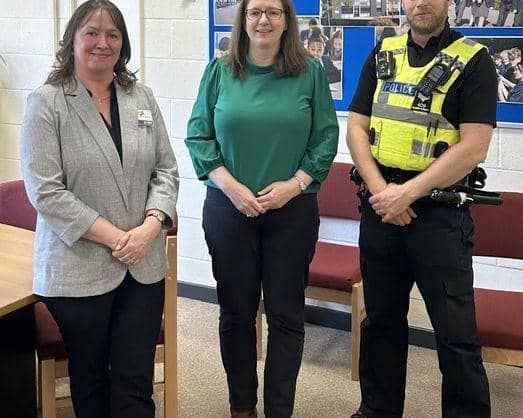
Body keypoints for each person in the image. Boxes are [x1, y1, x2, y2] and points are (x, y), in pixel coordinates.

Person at [19, 1, 179, 417]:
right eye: (91, 32)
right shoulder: (47, 103)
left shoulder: (140, 96)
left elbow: (166, 169)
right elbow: (46, 192)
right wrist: (116, 237)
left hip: (143, 265)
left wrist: (150, 225)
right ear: (72, 40)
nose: (102, 43)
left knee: (135, 383)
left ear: (122, 45)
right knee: (89, 384)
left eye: (113, 35)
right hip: (78, 270)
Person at [185, 0, 339, 416]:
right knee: (236, 314)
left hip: (292, 212)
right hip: (229, 209)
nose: (264, 20)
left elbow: (325, 137)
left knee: (286, 316)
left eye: (274, 11)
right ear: (243, 20)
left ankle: (278, 409)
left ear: (287, 20)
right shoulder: (219, 71)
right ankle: (241, 408)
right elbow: (198, 137)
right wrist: (232, 187)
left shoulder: (310, 73)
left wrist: (296, 184)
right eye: (255, 12)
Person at [346, 0, 497, 415]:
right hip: (380, 210)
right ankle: (377, 410)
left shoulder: (475, 60)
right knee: (380, 324)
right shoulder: (384, 52)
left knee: (455, 335)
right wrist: (382, 192)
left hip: (439, 218)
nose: (421, 3)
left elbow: (474, 146)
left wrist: (407, 194)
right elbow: (356, 127)